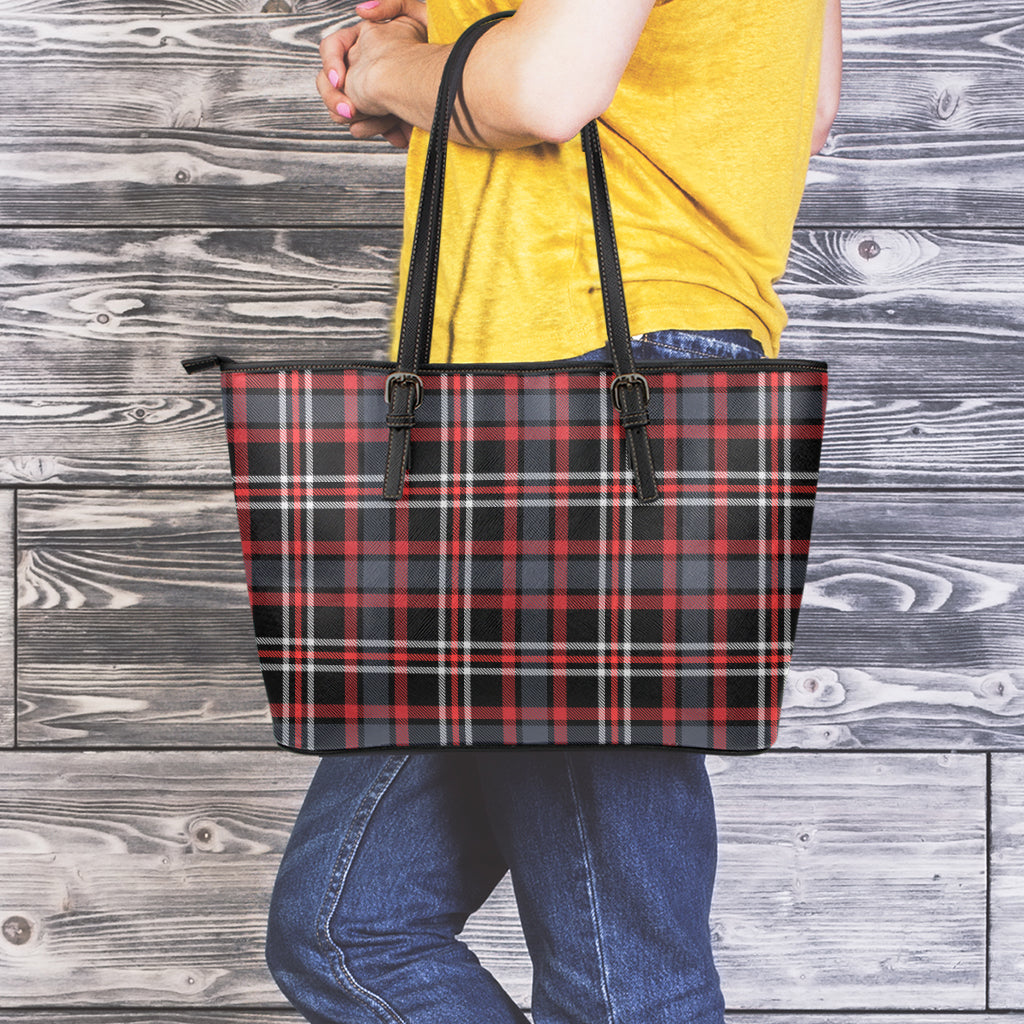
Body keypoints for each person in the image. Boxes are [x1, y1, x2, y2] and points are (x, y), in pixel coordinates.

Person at [264, 2, 842, 1022]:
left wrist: (392, 68)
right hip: (530, 410)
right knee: (346, 928)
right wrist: (440, 72)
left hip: (581, 392)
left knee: (624, 982)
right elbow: (798, 106)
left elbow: (543, 90)